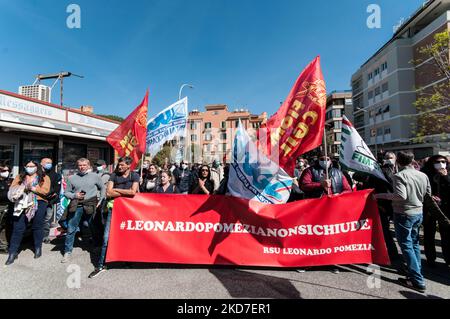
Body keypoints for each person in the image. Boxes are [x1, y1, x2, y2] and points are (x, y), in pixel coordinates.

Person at [376, 151, 431, 293]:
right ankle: (416, 273)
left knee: (406, 245)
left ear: (398, 161)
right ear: (412, 160)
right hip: (418, 212)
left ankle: (417, 280)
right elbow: (428, 194)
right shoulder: (422, 175)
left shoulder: (399, 176)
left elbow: (400, 195)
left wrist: (379, 195)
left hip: (404, 213)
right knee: (414, 244)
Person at [89, 156, 139, 278]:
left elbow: (133, 192)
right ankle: (101, 265)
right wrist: (123, 191)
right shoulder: (113, 175)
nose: (119, 166)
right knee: (107, 237)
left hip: (129, 210)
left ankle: (126, 259)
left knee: (126, 236)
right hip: (113, 209)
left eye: (122, 165)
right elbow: (108, 192)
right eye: (119, 164)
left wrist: (116, 189)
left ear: (128, 166)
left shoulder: (134, 176)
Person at [5, 160, 50, 265]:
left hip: (39, 202)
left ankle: (38, 247)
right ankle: (12, 252)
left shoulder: (44, 177)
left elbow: (45, 191)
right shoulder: (19, 176)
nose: (29, 168)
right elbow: (12, 188)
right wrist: (22, 188)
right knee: (18, 227)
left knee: (37, 226)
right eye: (27, 166)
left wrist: (33, 188)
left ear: (36, 166)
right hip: (21, 203)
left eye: (32, 166)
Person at [61, 158, 105, 263]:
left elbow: (103, 188)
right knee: (71, 229)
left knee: (94, 227)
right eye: (80, 165)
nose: (82, 167)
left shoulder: (95, 176)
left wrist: (101, 200)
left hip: (91, 204)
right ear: (77, 166)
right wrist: (74, 195)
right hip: (76, 205)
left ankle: (97, 247)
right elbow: (66, 192)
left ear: (89, 166)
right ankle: (67, 252)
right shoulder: (72, 178)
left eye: (84, 165)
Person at [421, 155, 450, 267]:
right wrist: (430, 196)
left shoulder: (448, 172)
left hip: (445, 209)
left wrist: (446, 177)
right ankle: (430, 258)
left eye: (443, 161)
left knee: (446, 235)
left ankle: (448, 258)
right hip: (430, 208)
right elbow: (421, 189)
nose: (441, 164)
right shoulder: (425, 173)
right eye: (438, 162)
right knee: (429, 234)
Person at [41, 158, 62, 244]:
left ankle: (45, 236)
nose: (49, 164)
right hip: (38, 200)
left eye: (50, 163)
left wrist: (54, 195)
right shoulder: (38, 174)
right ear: (41, 163)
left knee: (47, 218)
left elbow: (57, 188)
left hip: (50, 201)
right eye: (47, 163)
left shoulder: (56, 175)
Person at [0, 162, 12, 254]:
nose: (4, 172)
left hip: (8, 206)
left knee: (4, 227)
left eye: (6, 170)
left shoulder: (11, 181)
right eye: (2, 170)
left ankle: (3, 246)